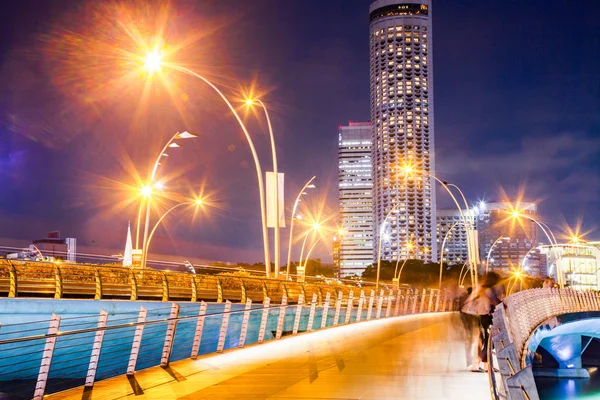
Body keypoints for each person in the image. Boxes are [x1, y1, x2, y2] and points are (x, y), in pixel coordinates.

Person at [461, 272, 503, 372]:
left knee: (487, 341)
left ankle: (487, 366)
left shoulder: (480, 288)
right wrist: (506, 304)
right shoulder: (488, 290)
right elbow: (495, 302)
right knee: (490, 342)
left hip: (479, 317)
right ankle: (477, 362)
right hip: (486, 317)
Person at [458, 287, 480, 368]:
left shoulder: (464, 298)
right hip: (472, 320)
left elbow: (461, 309)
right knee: (474, 341)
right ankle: (473, 362)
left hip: (466, 319)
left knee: (470, 340)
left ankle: (470, 361)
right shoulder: (475, 299)